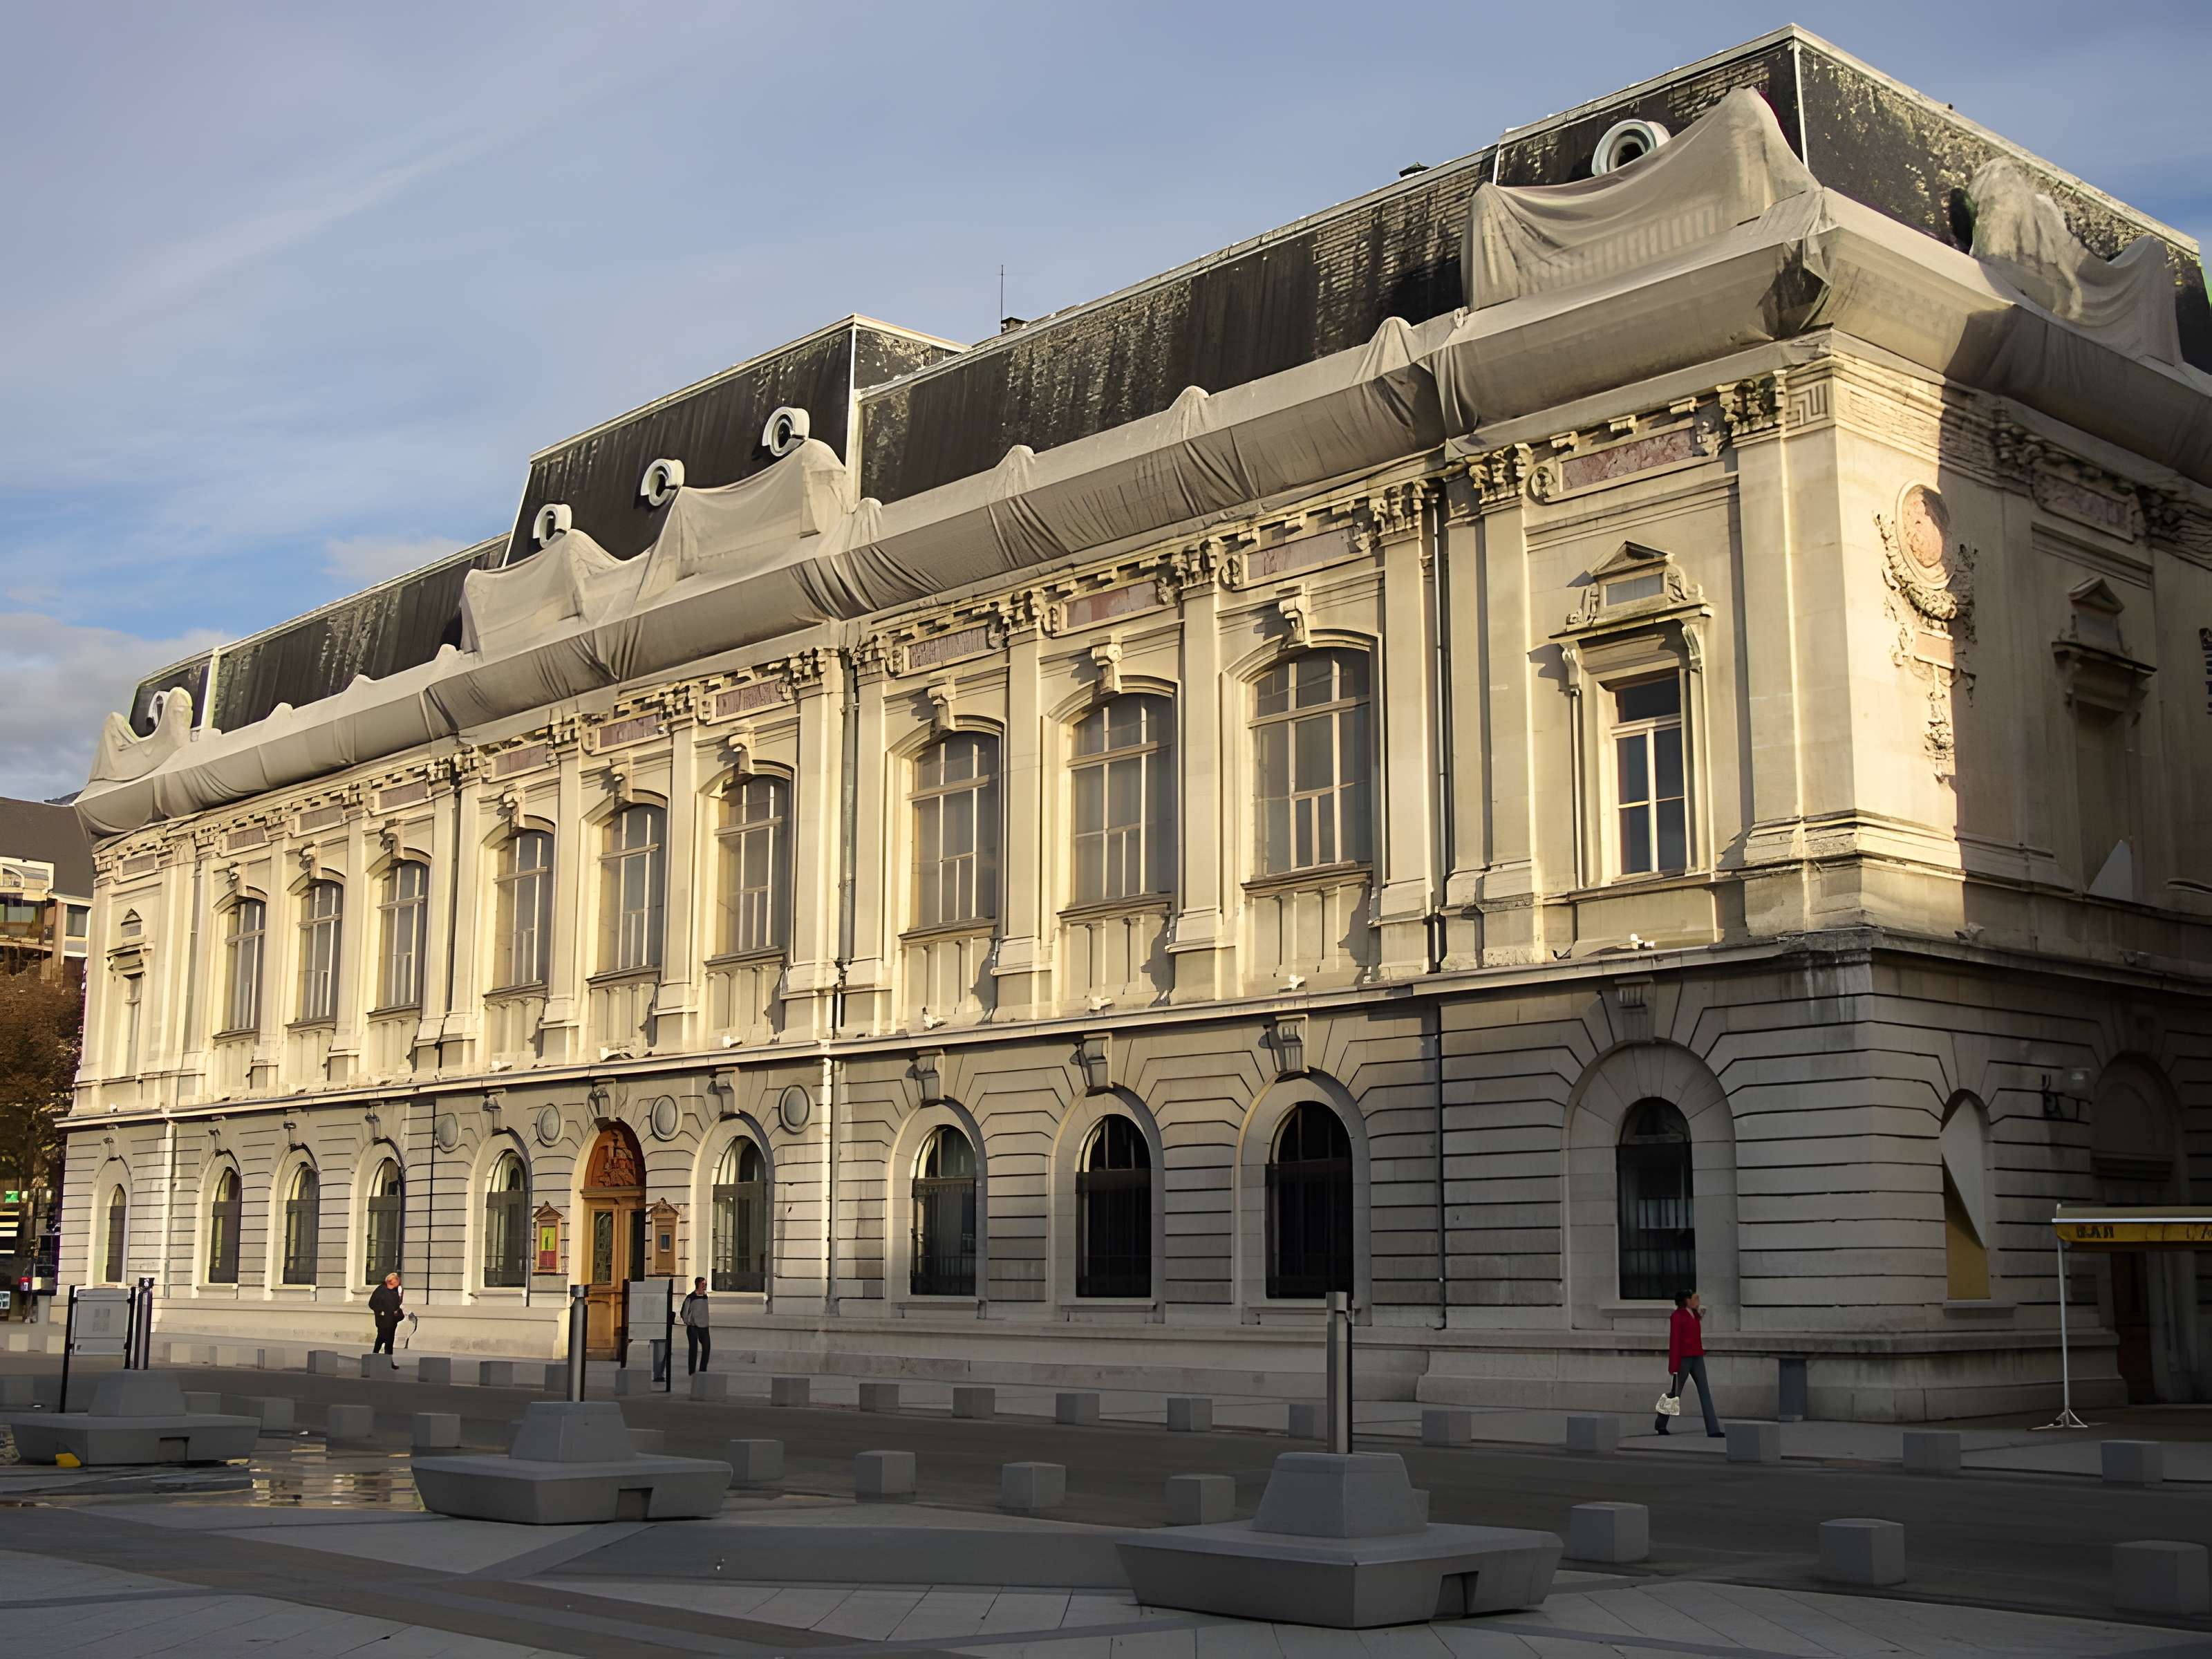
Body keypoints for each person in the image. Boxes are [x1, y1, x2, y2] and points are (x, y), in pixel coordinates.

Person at [1656, 1287, 1723, 1438]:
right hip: (1683, 1358)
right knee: (1675, 1393)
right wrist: (1673, 1365)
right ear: (1686, 1300)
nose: (1697, 1301)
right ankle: (1661, 1422)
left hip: (1697, 1356)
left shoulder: (1694, 1315)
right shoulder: (1677, 1316)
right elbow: (1675, 1342)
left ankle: (1713, 1429)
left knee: (1705, 1392)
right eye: (1694, 1298)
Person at [369, 1272, 404, 1368]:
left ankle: (388, 1362)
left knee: (389, 1342)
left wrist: (397, 1312)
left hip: (392, 1321)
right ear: (390, 1282)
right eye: (397, 1282)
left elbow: (396, 1304)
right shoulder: (381, 1290)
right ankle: (374, 1359)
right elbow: (372, 1304)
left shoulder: (395, 1290)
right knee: (380, 1340)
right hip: (383, 1321)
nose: (398, 1284)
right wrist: (381, 1312)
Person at [680, 1275, 711, 1376]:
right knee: (693, 1350)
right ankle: (692, 1371)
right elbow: (684, 1311)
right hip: (693, 1327)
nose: (705, 1286)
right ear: (698, 1284)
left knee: (707, 1348)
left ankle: (703, 1370)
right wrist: (688, 1321)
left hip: (704, 1327)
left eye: (705, 1284)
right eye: (703, 1284)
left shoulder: (705, 1296)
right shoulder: (691, 1297)